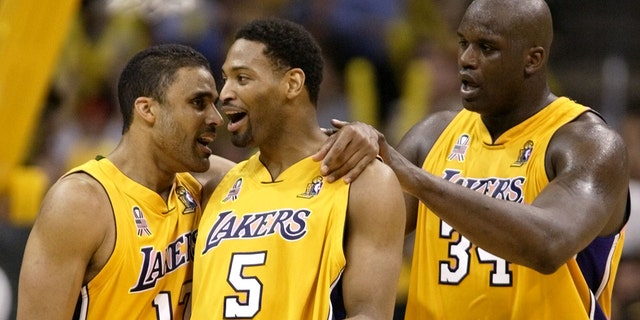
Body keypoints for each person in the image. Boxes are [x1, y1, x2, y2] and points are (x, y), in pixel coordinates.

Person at [317, 0, 631, 319]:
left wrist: (419, 181)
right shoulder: (431, 136)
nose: (467, 59)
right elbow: (349, 234)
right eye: (463, 43)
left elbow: (548, 245)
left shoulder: (588, 144)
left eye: (487, 48)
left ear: (532, 59)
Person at [17, 43, 376, 319]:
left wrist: (360, 135)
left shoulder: (211, 183)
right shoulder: (81, 202)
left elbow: (293, 167)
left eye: (214, 104)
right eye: (198, 103)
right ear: (147, 110)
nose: (216, 118)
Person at [191, 18, 406, 319]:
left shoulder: (364, 181)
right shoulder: (214, 182)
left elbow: (370, 314)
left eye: (242, 78)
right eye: (224, 78)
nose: (224, 93)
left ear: (292, 83)